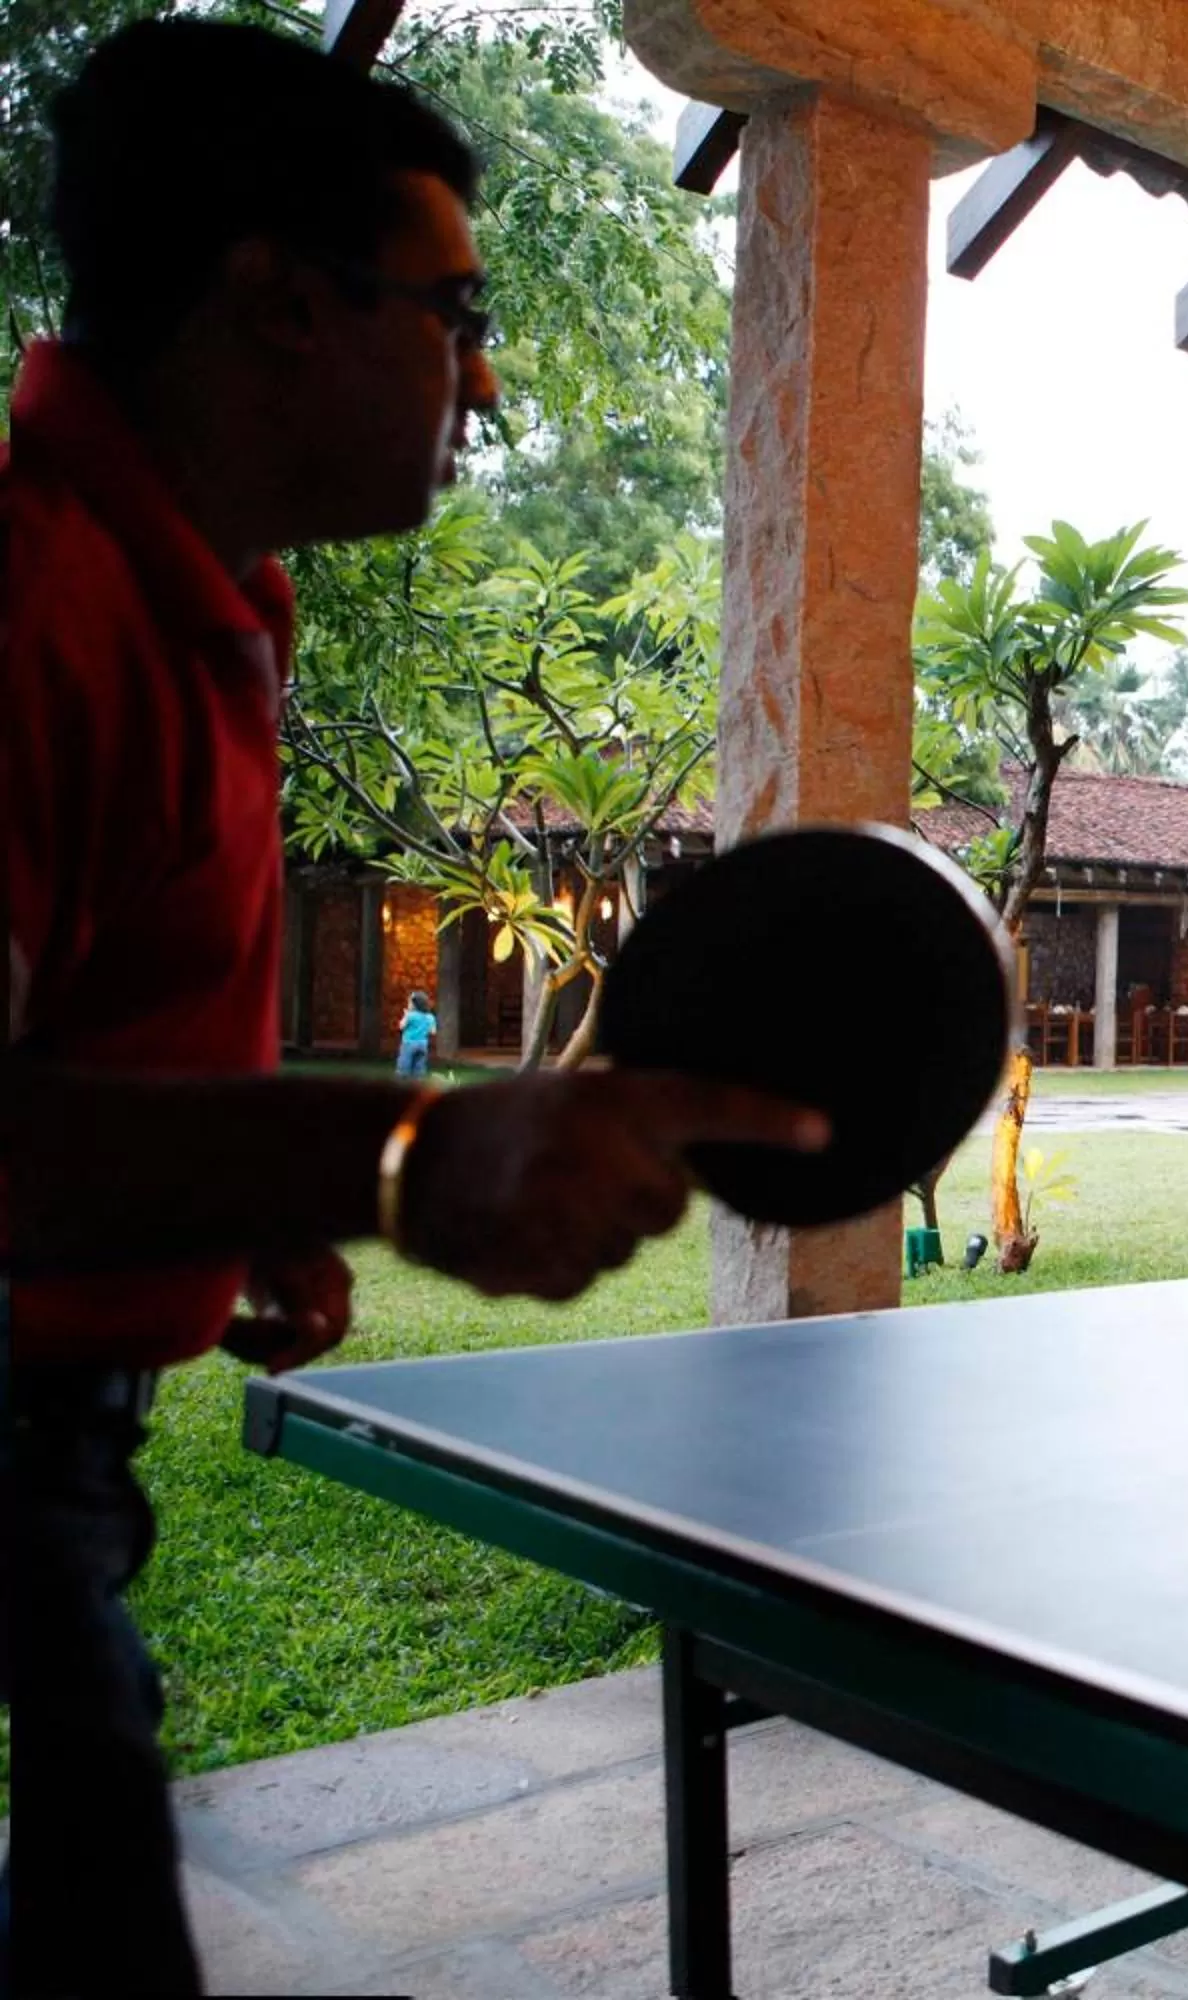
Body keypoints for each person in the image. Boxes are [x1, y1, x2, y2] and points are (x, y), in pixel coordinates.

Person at [0, 23, 824, 1994]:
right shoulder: (37, 607)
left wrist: (243, 1195)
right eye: (456, 316)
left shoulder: (202, 600)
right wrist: (391, 1152)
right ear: (282, 301)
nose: (487, 380)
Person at [395, 988, 438, 1079]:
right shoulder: (430, 1017)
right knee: (419, 1069)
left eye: (409, 1002)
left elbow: (401, 1026)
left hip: (409, 1044)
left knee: (403, 1067)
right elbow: (433, 1031)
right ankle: (417, 1083)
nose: (408, 1004)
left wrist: (406, 1015)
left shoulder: (410, 1015)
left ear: (415, 1004)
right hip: (423, 1045)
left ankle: (401, 1082)